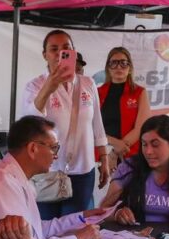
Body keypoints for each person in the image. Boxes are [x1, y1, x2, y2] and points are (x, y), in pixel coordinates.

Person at [23, 29, 110, 218]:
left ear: (74, 52)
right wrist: (49, 87)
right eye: (53, 49)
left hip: (83, 168)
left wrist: (104, 158)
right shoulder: (35, 86)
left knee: (74, 224)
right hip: (48, 170)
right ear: (45, 54)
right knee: (47, 227)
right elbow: (30, 123)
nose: (59, 53)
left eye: (66, 48)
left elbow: (97, 123)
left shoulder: (88, 83)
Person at [97, 46, 150, 163]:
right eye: (113, 63)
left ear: (130, 68)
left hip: (130, 154)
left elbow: (141, 127)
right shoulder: (97, 92)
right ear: (108, 68)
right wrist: (114, 143)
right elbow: (92, 127)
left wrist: (116, 151)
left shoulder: (140, 92)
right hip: (102, 153)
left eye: (124, 63)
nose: (118, 67)